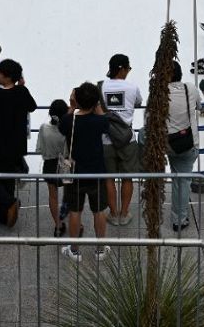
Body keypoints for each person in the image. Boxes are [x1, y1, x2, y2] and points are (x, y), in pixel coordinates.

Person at [59, 81, 109, 261]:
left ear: (77, 100)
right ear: (95, 102)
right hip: (96, 172)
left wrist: (72, 107)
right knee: (99, 211)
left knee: (75, 211)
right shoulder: (100, 121)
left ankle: (74, 250)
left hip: (75, 173)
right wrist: (96, 106)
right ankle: (100, 249)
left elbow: (63, 126)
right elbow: (105, 122)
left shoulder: (68, 121)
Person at [0, 58, 36, 227]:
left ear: (6, 77)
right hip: (15, 145)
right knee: (8, 179)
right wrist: (21, 85)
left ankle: (8, 202)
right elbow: (32, 106)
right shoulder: (21, 92)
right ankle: (2, 215)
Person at [98, 54, 142, 225]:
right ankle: (124, 214)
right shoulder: (132, 87)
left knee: (109, 178)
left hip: (106, 139)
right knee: (127, 177)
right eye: (128, 69)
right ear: (122, 69)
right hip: (127, 139)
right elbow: (138, 102)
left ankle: (113, 213)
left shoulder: (101, 87)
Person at [163, 61, 200, 231]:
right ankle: (179, 219)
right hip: (189, 143)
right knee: (183, 181)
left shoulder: (159, 93)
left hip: (168, 144)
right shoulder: (190, 88)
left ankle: (173, 213)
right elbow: (200, 106)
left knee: (176, 178)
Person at [36, 99, 70, 237]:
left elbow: (40, 149)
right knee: (70, 194)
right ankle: (75, 221)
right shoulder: (68, 130)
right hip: (66, 163)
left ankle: (58, 225)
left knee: (52, 195)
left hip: (49, 164)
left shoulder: (44, 128)